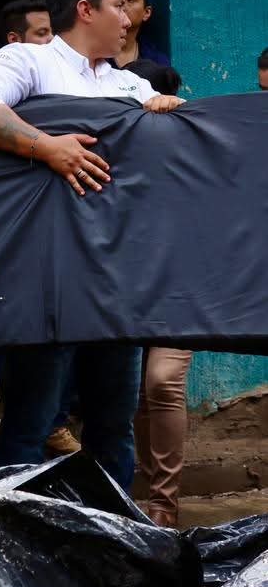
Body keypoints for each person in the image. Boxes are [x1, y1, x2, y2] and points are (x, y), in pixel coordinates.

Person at [0, 0, 185, 490]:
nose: (128, 18)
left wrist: (167, 116)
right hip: (47, 278)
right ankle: (21, 534)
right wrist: (47, 147)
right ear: (85, 10)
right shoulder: (29, 61)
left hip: (116, 281)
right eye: (118, 6)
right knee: (31, 423)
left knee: (113, 427)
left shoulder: (127, 83)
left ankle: (111, 532)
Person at [0, 0, 77, 473]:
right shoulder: (10, 80)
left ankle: (56, 422)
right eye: (43, 33)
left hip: (55, 237)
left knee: (62, 333)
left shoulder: (67, 82)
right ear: (15, 40)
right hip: (4, 233)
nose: (52, 43)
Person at [127, 58, 193, 527]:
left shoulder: (191, 142)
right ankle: (152, 495)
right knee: (136, 391)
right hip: (127, 282)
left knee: (162, 382)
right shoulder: (114, 143)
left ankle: (164, 506)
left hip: (179, 283)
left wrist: (181, 111)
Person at [115, 0, 171, 68]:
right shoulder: (95, 54)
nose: (121, 5)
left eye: (130, 0)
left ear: (146, 13)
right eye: (117, 0)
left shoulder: (156, 62)